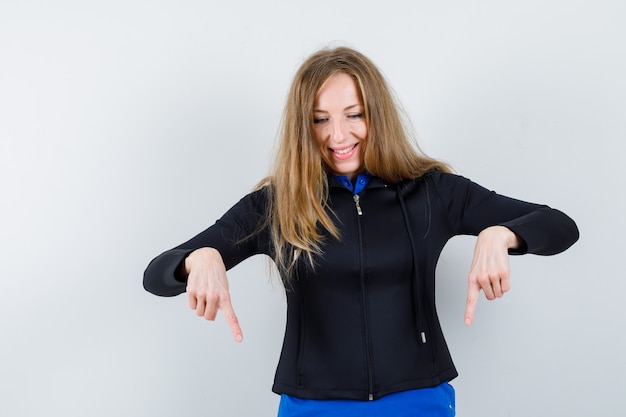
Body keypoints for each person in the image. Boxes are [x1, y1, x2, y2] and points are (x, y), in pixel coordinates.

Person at [143, 46, 579, 416]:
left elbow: (559, 225)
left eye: (354, 114)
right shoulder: (277, 204)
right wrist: (197, 257)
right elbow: (156, 276)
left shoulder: (433, 191)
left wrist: (501, 234)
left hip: (419, 400)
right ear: (303, 127)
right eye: (320, 120)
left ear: (377, 114)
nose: (338, 135)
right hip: (312, 405)